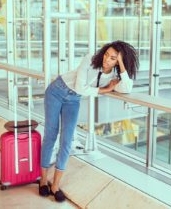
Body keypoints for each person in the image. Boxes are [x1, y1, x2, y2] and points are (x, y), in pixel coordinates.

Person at [38, 40, 139, 202]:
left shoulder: (115, 75)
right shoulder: (90, 60)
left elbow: (127, 88)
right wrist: (106, 89)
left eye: (113, 58)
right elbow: (80, 87)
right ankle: (43, 180)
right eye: (107, 54)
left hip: (73, 100)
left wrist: (121, 63)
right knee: (51, 134)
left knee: (66, 141)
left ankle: (55, 185)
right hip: (57, 91)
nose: (107, 59)